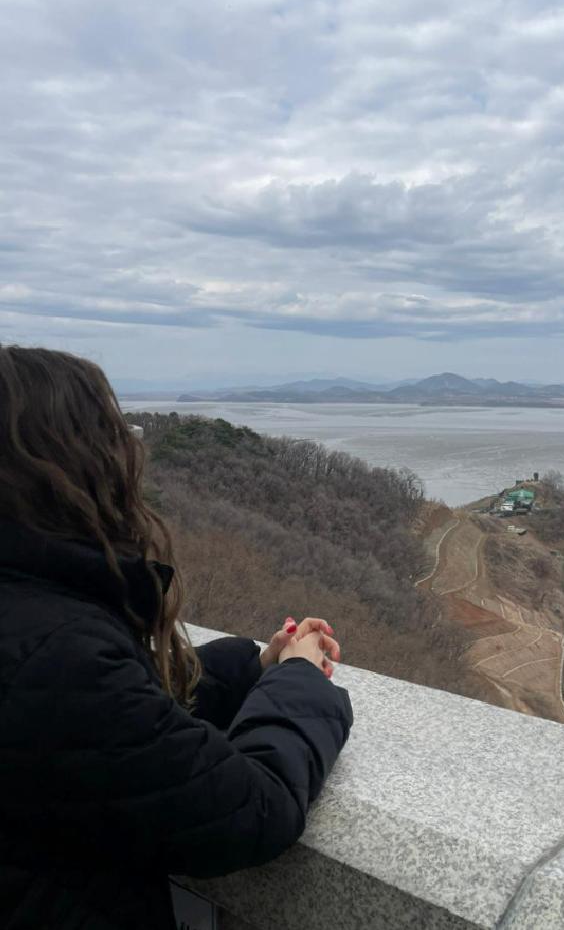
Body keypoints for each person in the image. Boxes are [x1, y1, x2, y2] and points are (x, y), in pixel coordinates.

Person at [0, 345, 354, 929]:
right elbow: (252, 810)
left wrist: (253, 667)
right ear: (73, 466)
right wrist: (299, 681)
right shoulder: (55, 656)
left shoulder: (33, 623)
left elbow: (118, 728)